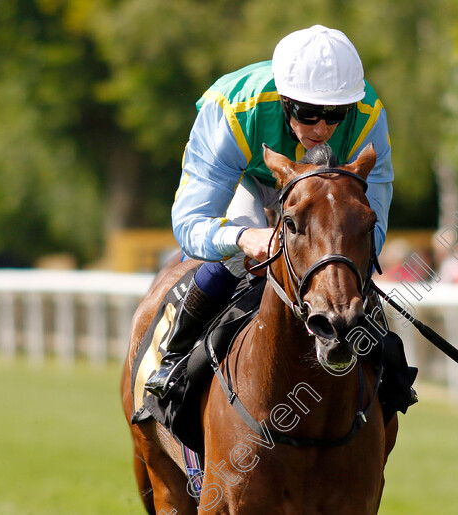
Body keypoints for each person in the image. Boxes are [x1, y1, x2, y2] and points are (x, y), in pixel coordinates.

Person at [146, 25, 394, 395]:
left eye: (335, 113)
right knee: (233, 258)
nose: (323, 128)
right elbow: (190, 225)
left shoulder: (368, 114)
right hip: (248, 176)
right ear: (284, 99)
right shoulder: (232, 110)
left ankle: (391, 379)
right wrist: (243, 237)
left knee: (344, 255)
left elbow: (372, 223)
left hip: (325, 192)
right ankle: (176, 357)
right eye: (308, 113)